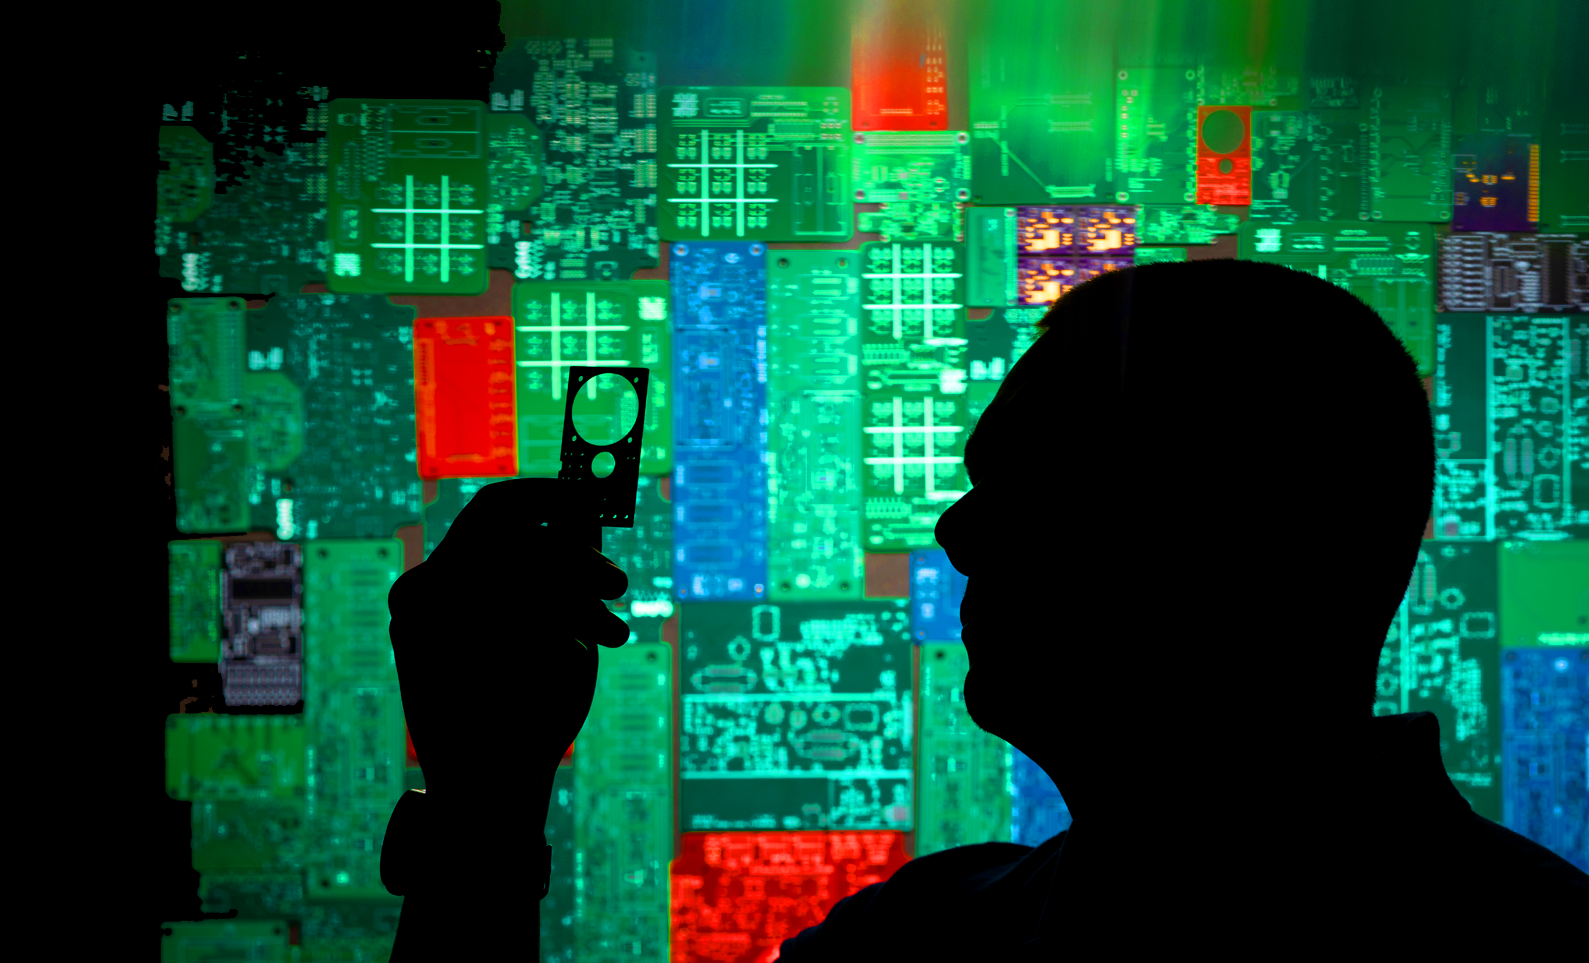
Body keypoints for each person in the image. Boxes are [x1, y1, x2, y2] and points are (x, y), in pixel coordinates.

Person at [381, 259, 1589, 958]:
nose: (957, 533)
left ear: (1213, 535)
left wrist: (485, 827)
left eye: (1024, 487)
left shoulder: (915, 959)